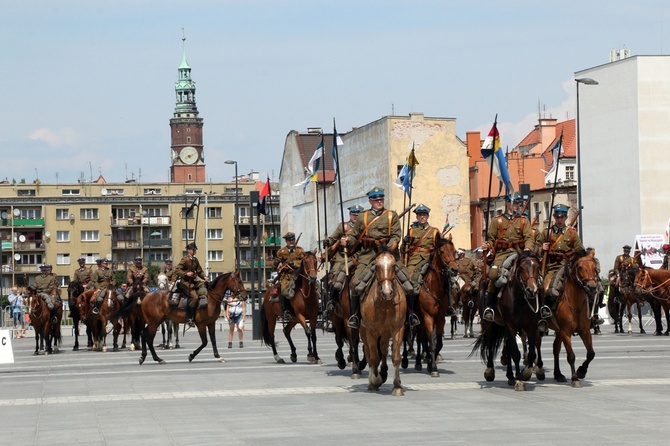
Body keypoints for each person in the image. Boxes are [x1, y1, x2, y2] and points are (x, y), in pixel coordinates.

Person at [340, 187, 414, 329]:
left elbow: (395, 237)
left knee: (409, 285)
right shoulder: (363, 217)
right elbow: (355, 234)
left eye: (381, 199)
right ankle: (356, 316)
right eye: (375, 199)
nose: (379, 201)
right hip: (368, 255)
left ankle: (410, 315)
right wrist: (347, 240)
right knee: (355, 285)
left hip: (389, 255)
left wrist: (388, 249)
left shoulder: (392, 216)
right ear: (370, 201)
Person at [481, 193, 534, 322]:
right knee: (493, 274)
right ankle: (490, 306)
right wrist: (487, 245)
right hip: (502, 253)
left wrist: (527, 249)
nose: (517, 206)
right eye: (514, 203)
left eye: (518, 203)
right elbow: (491, 238)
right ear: (507, 203)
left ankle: (538, 306)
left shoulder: (523, 220)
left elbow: (529, 237)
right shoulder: (497, 220)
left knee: (534, 274)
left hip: (519, 252)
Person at [537, 204, 591, 324]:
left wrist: (574, 252)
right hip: (552, 267)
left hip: (568, 266)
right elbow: (534, 249)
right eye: (557, 217)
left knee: (589, 285)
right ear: (554, 218)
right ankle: (544, 314)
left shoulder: (571, 233)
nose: (559, 220)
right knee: (545, 288)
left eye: (562, 217)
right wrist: (542, 248)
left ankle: (591, 315)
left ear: (566, 217)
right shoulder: (547, 232)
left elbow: (580, 248)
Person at [402, 203, 440, 326]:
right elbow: (404, 250)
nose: (422, 217)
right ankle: (410, 311)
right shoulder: (412, 231)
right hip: (415, 260)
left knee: (449, 281)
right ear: (417, 217)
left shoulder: (435, 231)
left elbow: (440, 247)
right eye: (419, 215)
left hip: (431, 259)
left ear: (428, 216)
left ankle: (450, 306)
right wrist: (404, 242)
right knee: (408, 281)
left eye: (424, 215)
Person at [323, 204, 363, 313]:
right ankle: (332, 301)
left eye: (358, 215)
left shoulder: (365, 226)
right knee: (335, 277)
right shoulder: (343, 227)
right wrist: (327, 242)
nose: (356, 217)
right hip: (343, 257)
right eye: (354, 215)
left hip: (361, 256)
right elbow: (332, 238)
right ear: (350, 215)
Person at [273, 232, 306, 320]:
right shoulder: (281, 251)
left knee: (314, 286)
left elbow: (304, 262)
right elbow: (276, 263)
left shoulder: (300, 250)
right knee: (283, 290)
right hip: (287, 276)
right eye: (289, 240)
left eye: (292, 240)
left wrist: (294, 263)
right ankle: (285, 310)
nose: (291, 242)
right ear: (286, 241)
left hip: (299, 274)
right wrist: (276, 264)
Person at [175, 243, 209, 326]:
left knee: (205, 287)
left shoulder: (195, 260)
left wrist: (204, 277)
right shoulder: (185, 259)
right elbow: (177, 270)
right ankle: (189, 318)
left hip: (193, 281)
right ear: (189, 250)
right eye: (193, 250)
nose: (194, 251)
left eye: (195, 250)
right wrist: (186, 274)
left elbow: (199, 270)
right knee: (195, 297)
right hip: (185, 283)